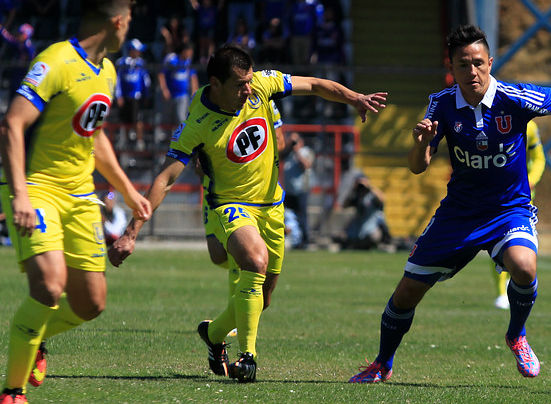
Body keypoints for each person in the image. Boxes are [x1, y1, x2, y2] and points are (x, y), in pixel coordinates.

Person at [108, 44, 387, 383]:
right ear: (216, 84)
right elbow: (165, 178)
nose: (249, 90)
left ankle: (213, 335)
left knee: (263, 298)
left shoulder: (262, 86)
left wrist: (354, 98)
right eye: (240, 85)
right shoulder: (197, 122)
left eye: (250, 81)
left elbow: (314, 84)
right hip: (230, 205)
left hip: (271, 204)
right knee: (253, 261)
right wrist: (131, 231)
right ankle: (248, 357)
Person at [348, 24, 551, 384]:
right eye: (463, 65)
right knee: (406, 292)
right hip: (458, 214)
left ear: (490, 62)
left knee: (524, 266)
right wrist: (419, 143)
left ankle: (516, 335)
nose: (471, 72)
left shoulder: (515, 98)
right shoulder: (441, 104)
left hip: (509, 210)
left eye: (478, 63)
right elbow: (417, 167)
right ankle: (382, 362)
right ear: (452, 68)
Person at [0, 0, 151, 404]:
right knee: (49, 287)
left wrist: (126, 190)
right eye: (130, 19)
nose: (129, 27)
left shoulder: (107, 70)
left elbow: (95, 137)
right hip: (38, 188)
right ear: (117, 21)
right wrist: (20, 197)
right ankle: (12, 391)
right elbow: (12, 123)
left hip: (80, 195)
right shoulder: (56, 61)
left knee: (91, 303)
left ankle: (37, 340)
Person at [493, 120, 546, 310]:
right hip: (494, 195)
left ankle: (517, 287)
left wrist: (530, 181)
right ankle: (501, 293)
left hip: (522, 199)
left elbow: (539, 158)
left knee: (522, 248)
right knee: (495, 245)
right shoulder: (488, 121)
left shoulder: (529, 125)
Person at [114, 38, 152, 151]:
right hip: (125, 96)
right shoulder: (121, 62)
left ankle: (139, 141)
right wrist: (119, 95)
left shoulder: (141, 63)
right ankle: (125, 140)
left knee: (137, 119)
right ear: (131, 50)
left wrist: (147, 94)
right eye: (137, 50)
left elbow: (146, 80)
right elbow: (118, 80)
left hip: (137, 96)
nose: (139, 53)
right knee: (125, 120)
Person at [282, 132, 315, 248]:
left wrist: (297, 151)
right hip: (289, 190)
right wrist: (288, 146)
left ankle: (305, 240)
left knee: (302, 216)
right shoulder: (288, 154)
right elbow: (280, 156)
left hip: (302, 189)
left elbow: (306, 165)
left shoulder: (306, 151)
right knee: (288, 215)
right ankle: (293, 239)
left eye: (295, 141)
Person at [340, 175, 391, 250]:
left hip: (371, 226)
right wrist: (353, 189)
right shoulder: (356, 195)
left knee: (373, 237)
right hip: (358, 226)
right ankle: (358, 245)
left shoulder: (371, 195)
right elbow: (344, 205)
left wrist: (370, 187)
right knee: (343, 237)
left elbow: (381, 199)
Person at [157, 42, 199, 129]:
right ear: (184, 51)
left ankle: (180, 139)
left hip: (182, 96)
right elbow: (161, 74)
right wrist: (164, 89)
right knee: (166, 119)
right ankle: (166, 139)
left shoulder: (189, 62)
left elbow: (193, 78)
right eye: (189, 51)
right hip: (169, 95)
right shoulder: (171, 59)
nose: (190, 54)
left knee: (180, 118)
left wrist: (194, 93)